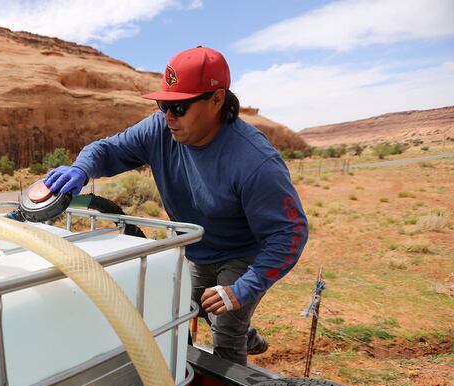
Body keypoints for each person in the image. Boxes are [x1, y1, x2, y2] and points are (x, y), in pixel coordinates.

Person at [44, 46, 308, 366]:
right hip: (195, 247)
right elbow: (109, 150)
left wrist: (243, 289)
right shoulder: (160, 129)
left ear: (216, 100)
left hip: (241, 255)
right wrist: (82, 169)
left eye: (179, 106)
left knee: (226, 330)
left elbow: (289, 233)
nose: (168, 116)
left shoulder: (254, 161)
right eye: (164, 104)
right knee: (176, 308)